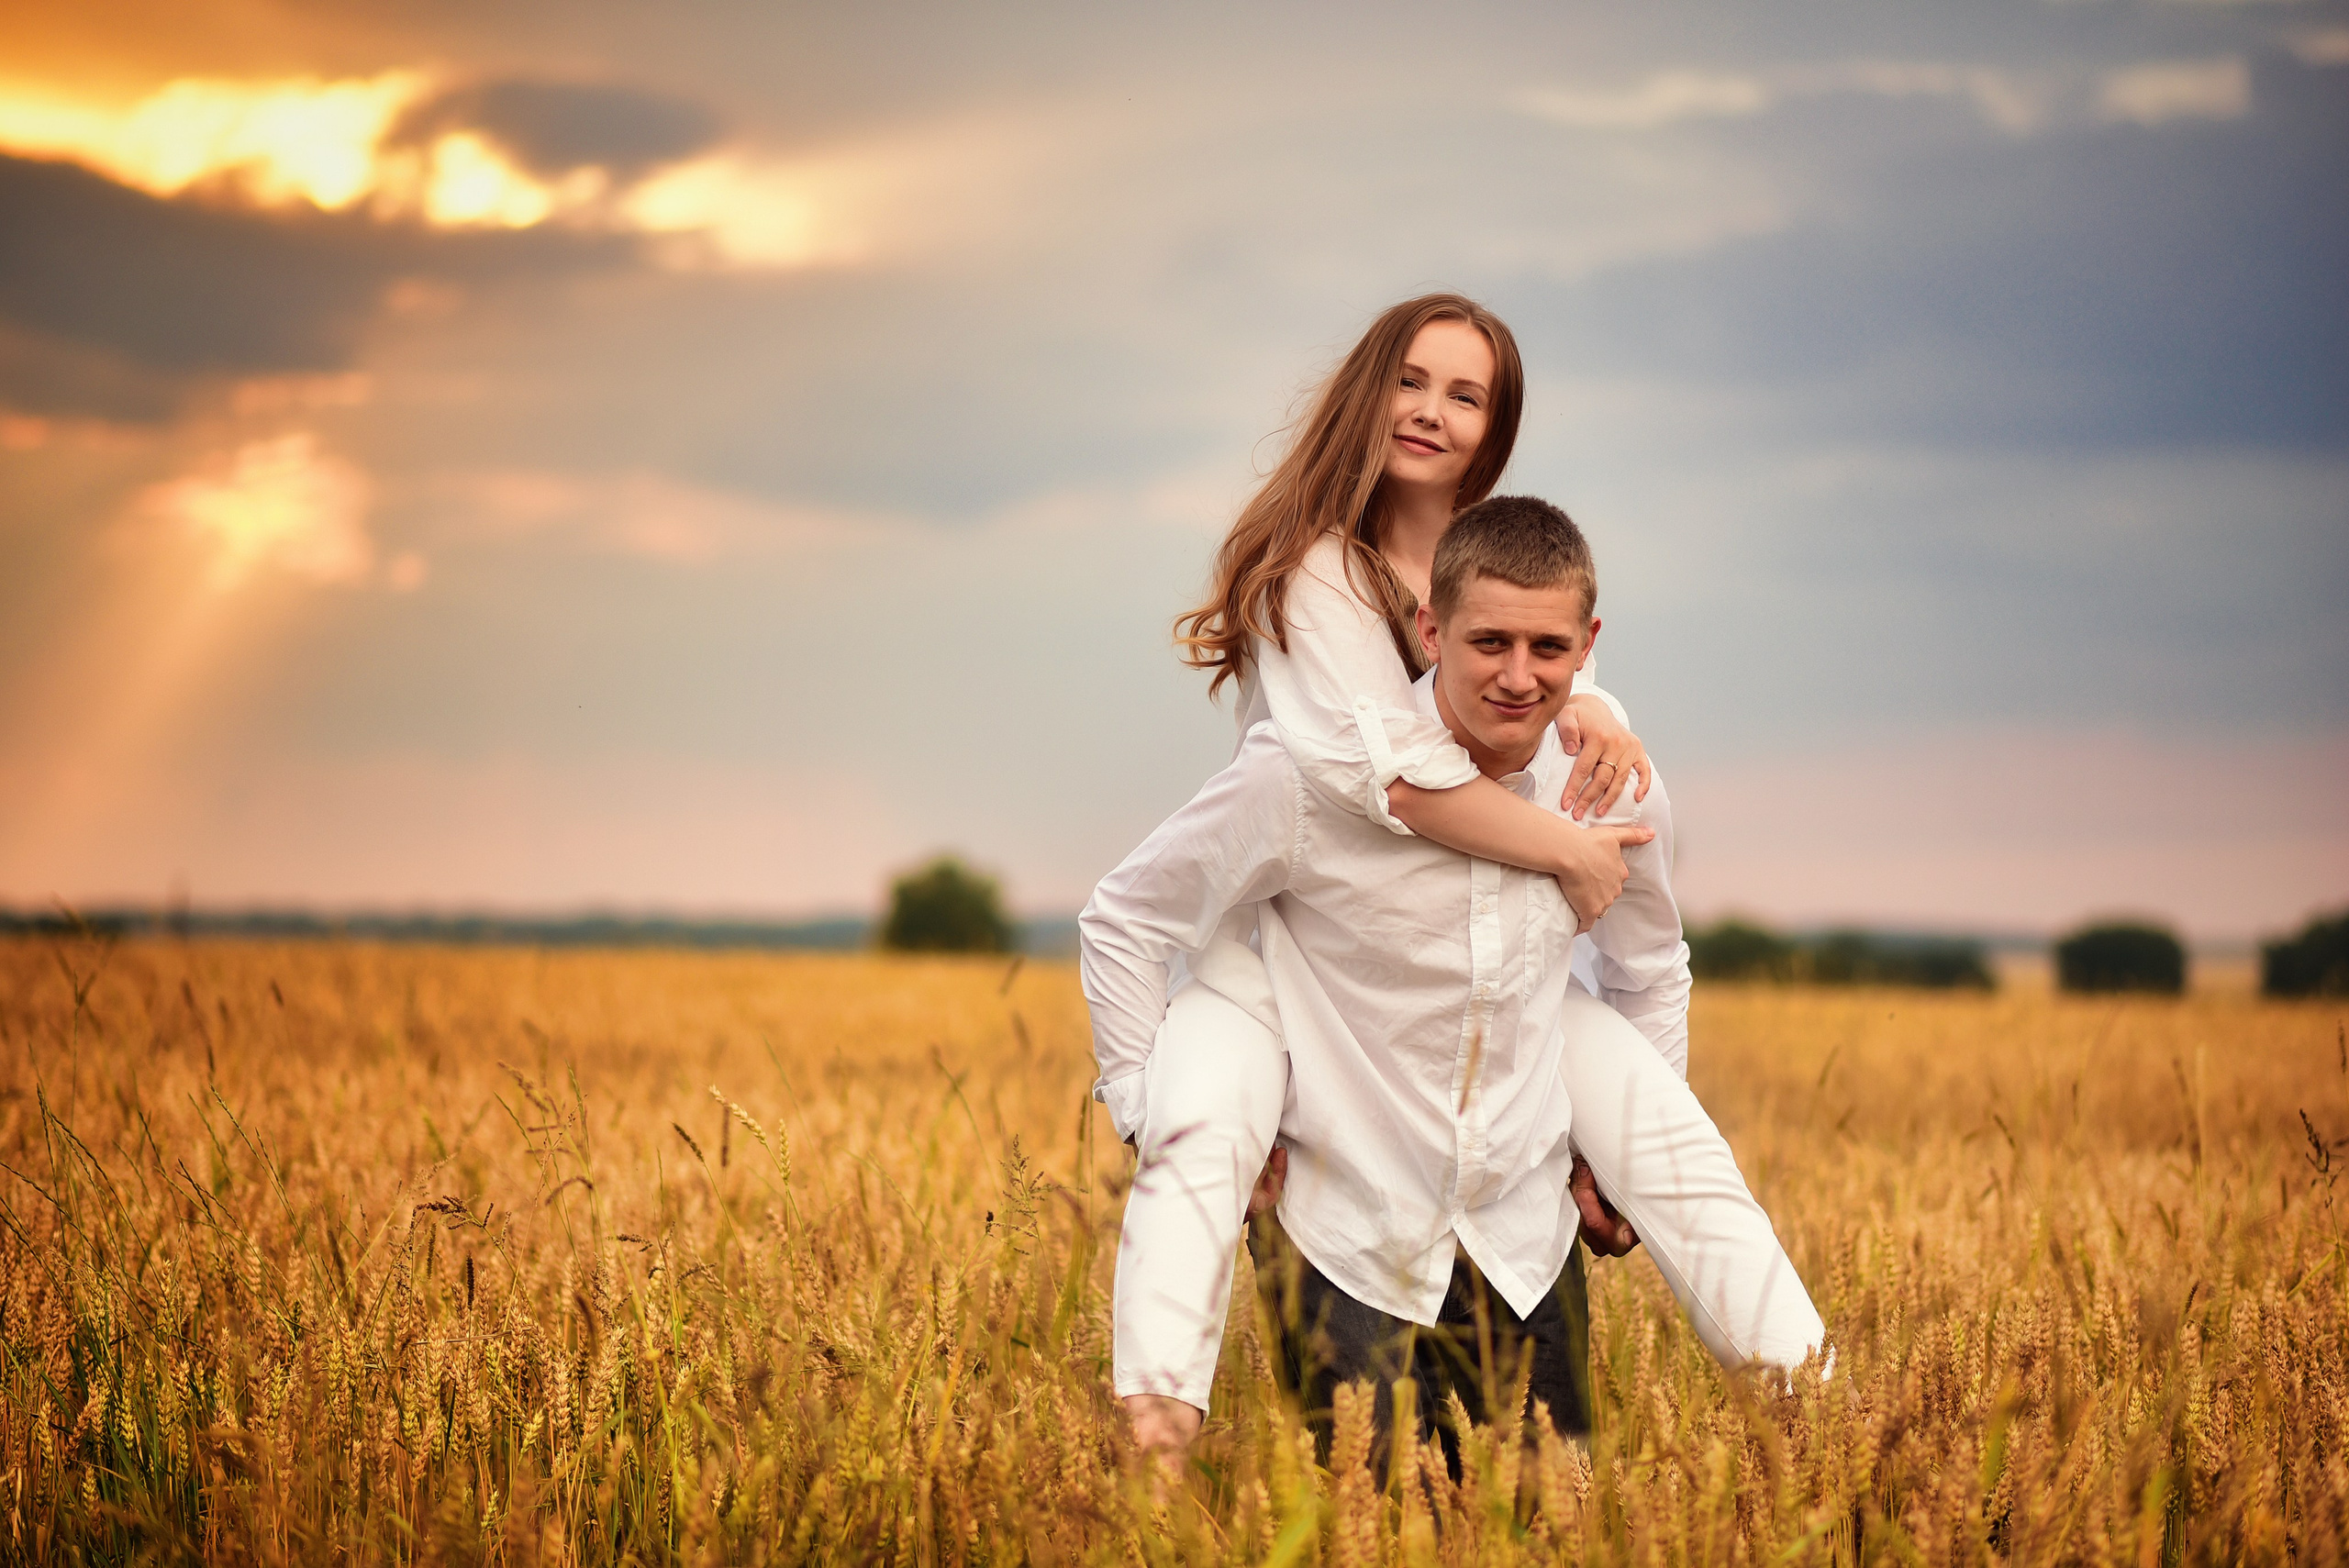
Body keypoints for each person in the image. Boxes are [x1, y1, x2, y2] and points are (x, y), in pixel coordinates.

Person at [1082, 497, 1825, 1464]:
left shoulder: (1615, 792)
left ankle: (1825, 1420)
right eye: (1489, 642)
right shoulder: (1308, 776)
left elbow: (1648, 967)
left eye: (1548, 647)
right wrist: (1147, 1107)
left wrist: (1606, 1163)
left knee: (1550, 1526)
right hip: (1347, 1225)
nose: (1519, 676)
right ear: (1430, 628)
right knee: (1375, 1524)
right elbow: (1128, 915)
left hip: (1520, 1229)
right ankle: (1154, 1437)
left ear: (1588, 645)